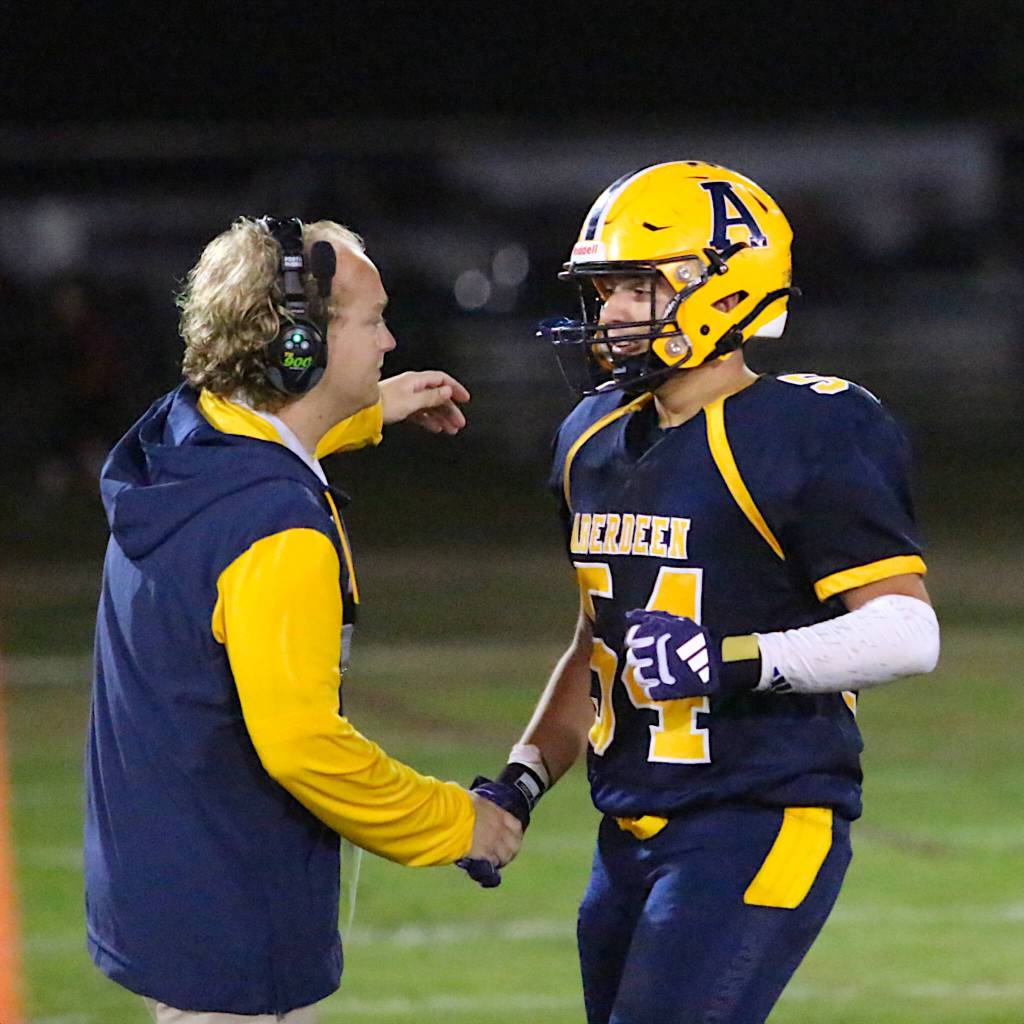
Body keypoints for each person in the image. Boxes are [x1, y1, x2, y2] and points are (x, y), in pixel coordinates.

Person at [463, 162, 940, 1023]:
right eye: (604, 289)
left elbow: (907, 632)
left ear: (725, 289)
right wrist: (523, 780)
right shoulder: (591, 437)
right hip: (632, 833)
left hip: (761, 814)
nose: (609, 313)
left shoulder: (809, 427)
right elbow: (595, 644)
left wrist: (732, 659)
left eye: (638, 286)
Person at [84, 216, 523, 1023]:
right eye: (371, 321)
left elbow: (258, 427)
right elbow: (303, 747)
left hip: (169, 890)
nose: (390, 341)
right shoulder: (275, 526)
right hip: (233, 918)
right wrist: (460, 823)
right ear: (299, 348)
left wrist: (359, 411)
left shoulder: (179, 437)